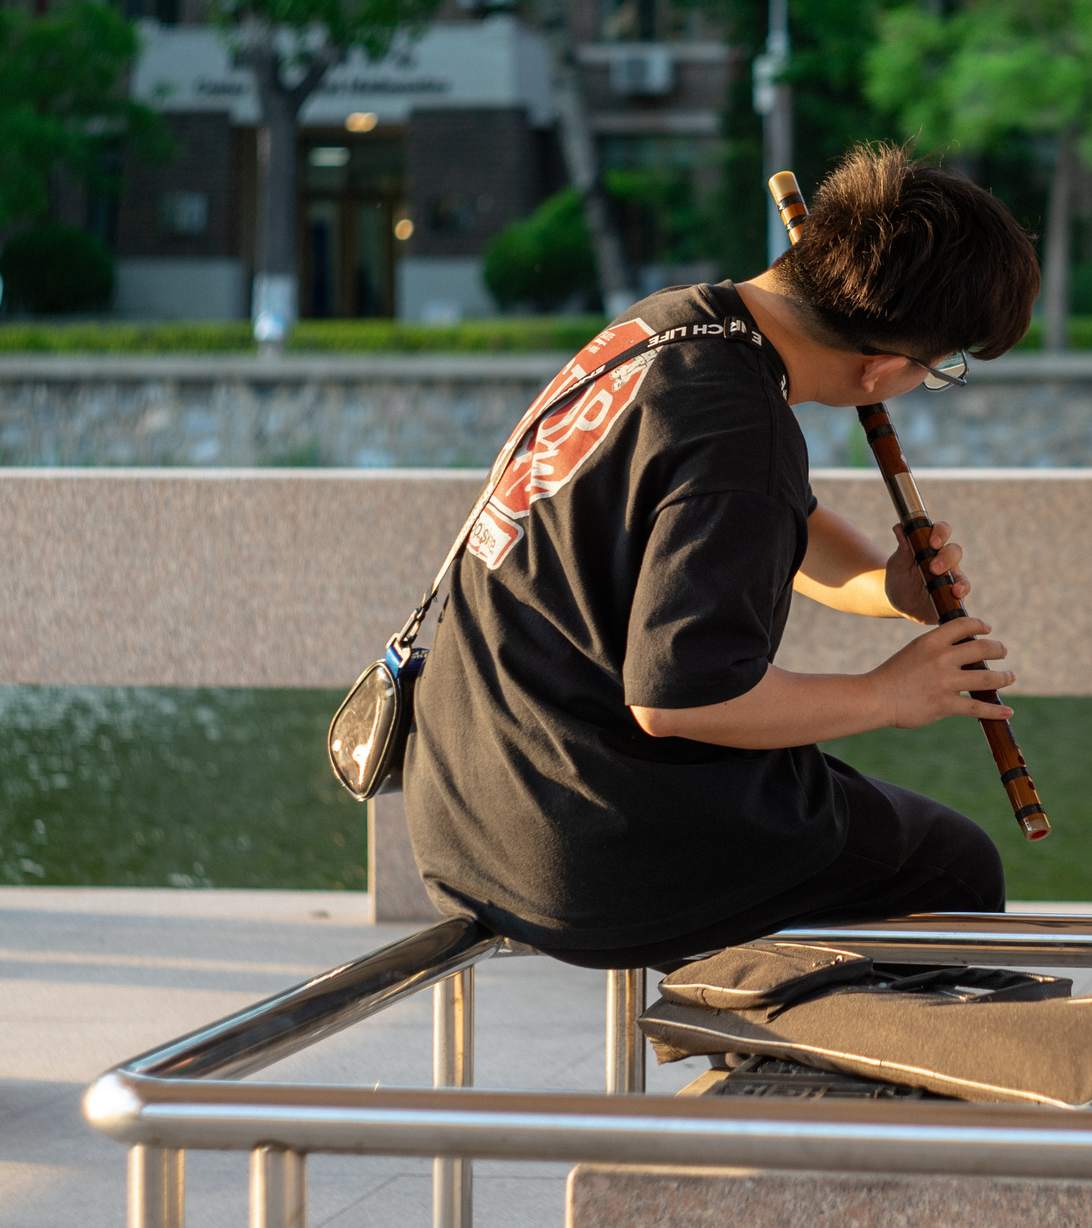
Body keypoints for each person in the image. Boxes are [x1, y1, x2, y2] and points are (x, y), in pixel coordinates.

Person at [407, 146, 1040, 969]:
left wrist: (885, 587)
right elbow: (683, 698)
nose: (926, 379)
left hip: (465, 804)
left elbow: (772, 520)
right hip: (583, 837)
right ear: (882, 368)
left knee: (843, 808)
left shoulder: (673, 325)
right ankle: (778, 1045)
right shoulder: (743, 430)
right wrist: (889, 693)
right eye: (938, 367)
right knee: (952, 867)